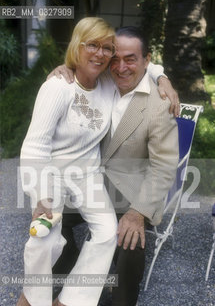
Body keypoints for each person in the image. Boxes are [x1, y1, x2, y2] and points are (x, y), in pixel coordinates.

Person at [49, 26, 179, 306]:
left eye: (131, 59)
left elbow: (165, 167)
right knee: (52, 221)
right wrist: (63, 69)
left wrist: (137, 212)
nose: (121, 67)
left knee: (131, 241)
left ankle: (121, 300)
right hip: (89, 180)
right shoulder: (103, 81)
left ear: (146, 61)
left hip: (128, 188)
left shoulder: (159, 106)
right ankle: (61, 276)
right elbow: (84, 66)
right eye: (115, 58)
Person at [17, 17, 119, 306]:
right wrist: (41, 196)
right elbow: (35, 144)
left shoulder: (109, 84)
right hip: (52, 174)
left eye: (107, 48)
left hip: (87, 175)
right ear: (77, 45)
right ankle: (33, 299)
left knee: (107, 232)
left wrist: (163, 79)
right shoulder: (57, 88)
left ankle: (71, 300)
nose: (100, 53)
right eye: (93, 45)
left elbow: (146, 68)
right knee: (44, 240)